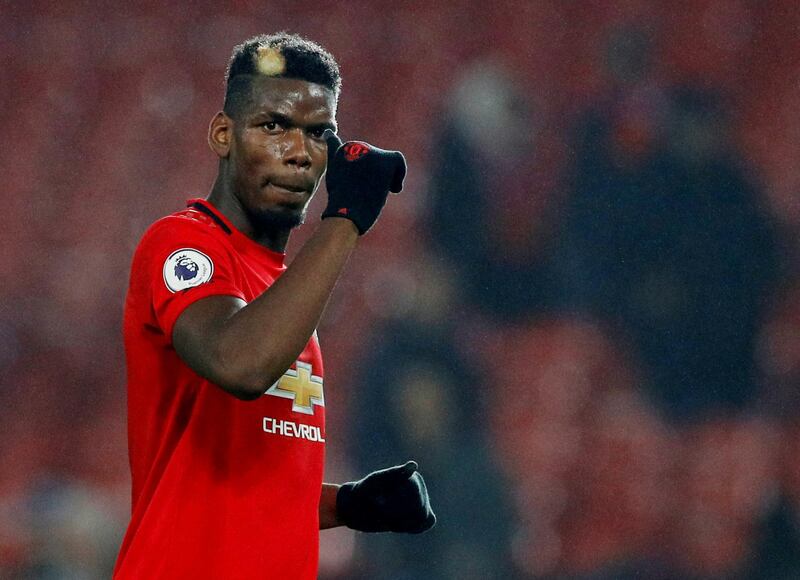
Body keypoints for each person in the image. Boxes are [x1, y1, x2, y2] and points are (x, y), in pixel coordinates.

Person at [113, 33, 435, 579]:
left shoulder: (283, 295)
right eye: (273, 126)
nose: (298, 150)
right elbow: (240, 365)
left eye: (318, 134)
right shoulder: (182, 244)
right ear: (223, 134)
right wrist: (346, 218)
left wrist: (349, 505)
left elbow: (246, 482)